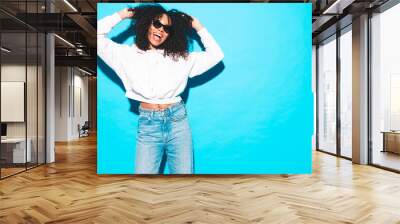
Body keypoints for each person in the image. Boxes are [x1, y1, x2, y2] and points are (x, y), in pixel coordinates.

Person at [97, 4, 224, 174]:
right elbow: (96, 35)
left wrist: (197, 25)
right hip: (148, 125)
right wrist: (123, 14)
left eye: (167, 28)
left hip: (178, 122)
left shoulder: (180, 58)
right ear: (147, 24)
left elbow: (216, 55)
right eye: (157, 24)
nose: (161, 30)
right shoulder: (125, 55)